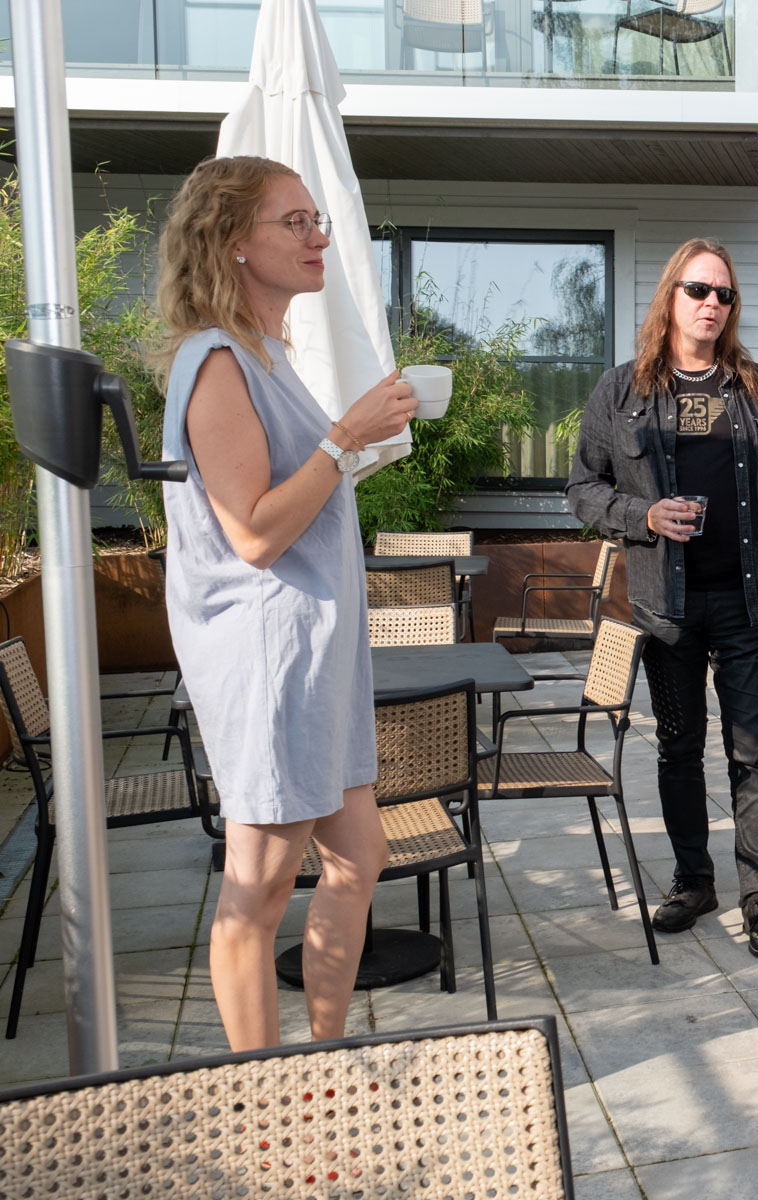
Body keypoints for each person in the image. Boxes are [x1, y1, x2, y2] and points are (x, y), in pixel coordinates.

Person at [154, 155, 415, 1051]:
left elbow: (300, 493)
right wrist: (345, 439)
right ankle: (264, 1099)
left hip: (318, 655)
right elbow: (255, 533)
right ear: (233, 242)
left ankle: (324, 1059)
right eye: (293, 221)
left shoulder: (270, 353)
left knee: (358, 856)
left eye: (318, 220)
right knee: (257, 892)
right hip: (269, 658)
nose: (317, 237)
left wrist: (352, 447)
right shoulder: (216, 360)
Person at [566, 237, 758, 959]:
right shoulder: (623, 390)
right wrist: (642, 516)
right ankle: (694, 882)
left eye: (723, 294)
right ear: (670, 296)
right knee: (678, 748)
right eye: (698, 290)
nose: (711, 304)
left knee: (753, 754)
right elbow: (582, 488)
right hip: (664, 607)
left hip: (743, 605)